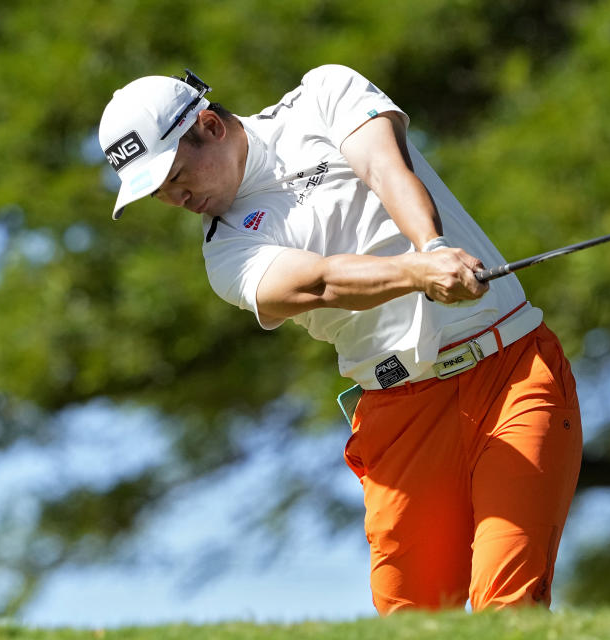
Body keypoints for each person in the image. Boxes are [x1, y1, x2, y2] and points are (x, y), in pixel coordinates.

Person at [98, 65, 583, 614]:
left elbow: (382, 167)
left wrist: (431, 245)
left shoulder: (323, 95)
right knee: (414, 622)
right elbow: (322, 282)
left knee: (508, 606)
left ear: (209, 126)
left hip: (511, 371)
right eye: (158, 193)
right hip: (400, 415)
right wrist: (419, 273)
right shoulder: (225, 252)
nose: (176, 197)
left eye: (176, 175)